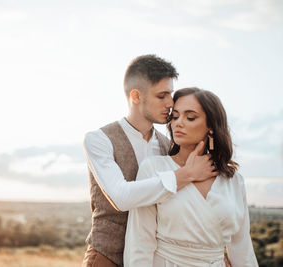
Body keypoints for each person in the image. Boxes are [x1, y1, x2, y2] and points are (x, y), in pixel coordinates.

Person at [82, 55, 218, 267]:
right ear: (136, 96)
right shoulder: (99, 140)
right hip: (107, 256)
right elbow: (120, 197)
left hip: (152, 258)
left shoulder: (168, 145)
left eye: (170, 94)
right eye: (162, 95)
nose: (171, 103)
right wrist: (186, 174)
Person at [124, 87, 258, 267]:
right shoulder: (155, 168)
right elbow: (139, 241)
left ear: (211, 126)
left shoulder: (233, 180)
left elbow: (242, 246)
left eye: (190, 117)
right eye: (175, 116)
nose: (178, 123)